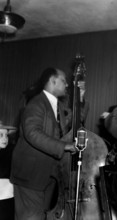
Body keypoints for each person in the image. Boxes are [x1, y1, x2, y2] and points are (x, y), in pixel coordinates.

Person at [10, 67, 87, 220]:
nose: (66, 85)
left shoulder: (57, 106)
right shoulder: (36, 104)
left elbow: (73, 123)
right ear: (53, 81)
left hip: (47, 176)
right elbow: (32, 133)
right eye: (64, 81)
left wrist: (81, 98)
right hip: (30, 176)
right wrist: (63, 146)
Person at [0, 121, 17, 220]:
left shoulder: (10, 152)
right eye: (1, 135)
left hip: (7, 201)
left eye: (6, 135)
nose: (5, 138)